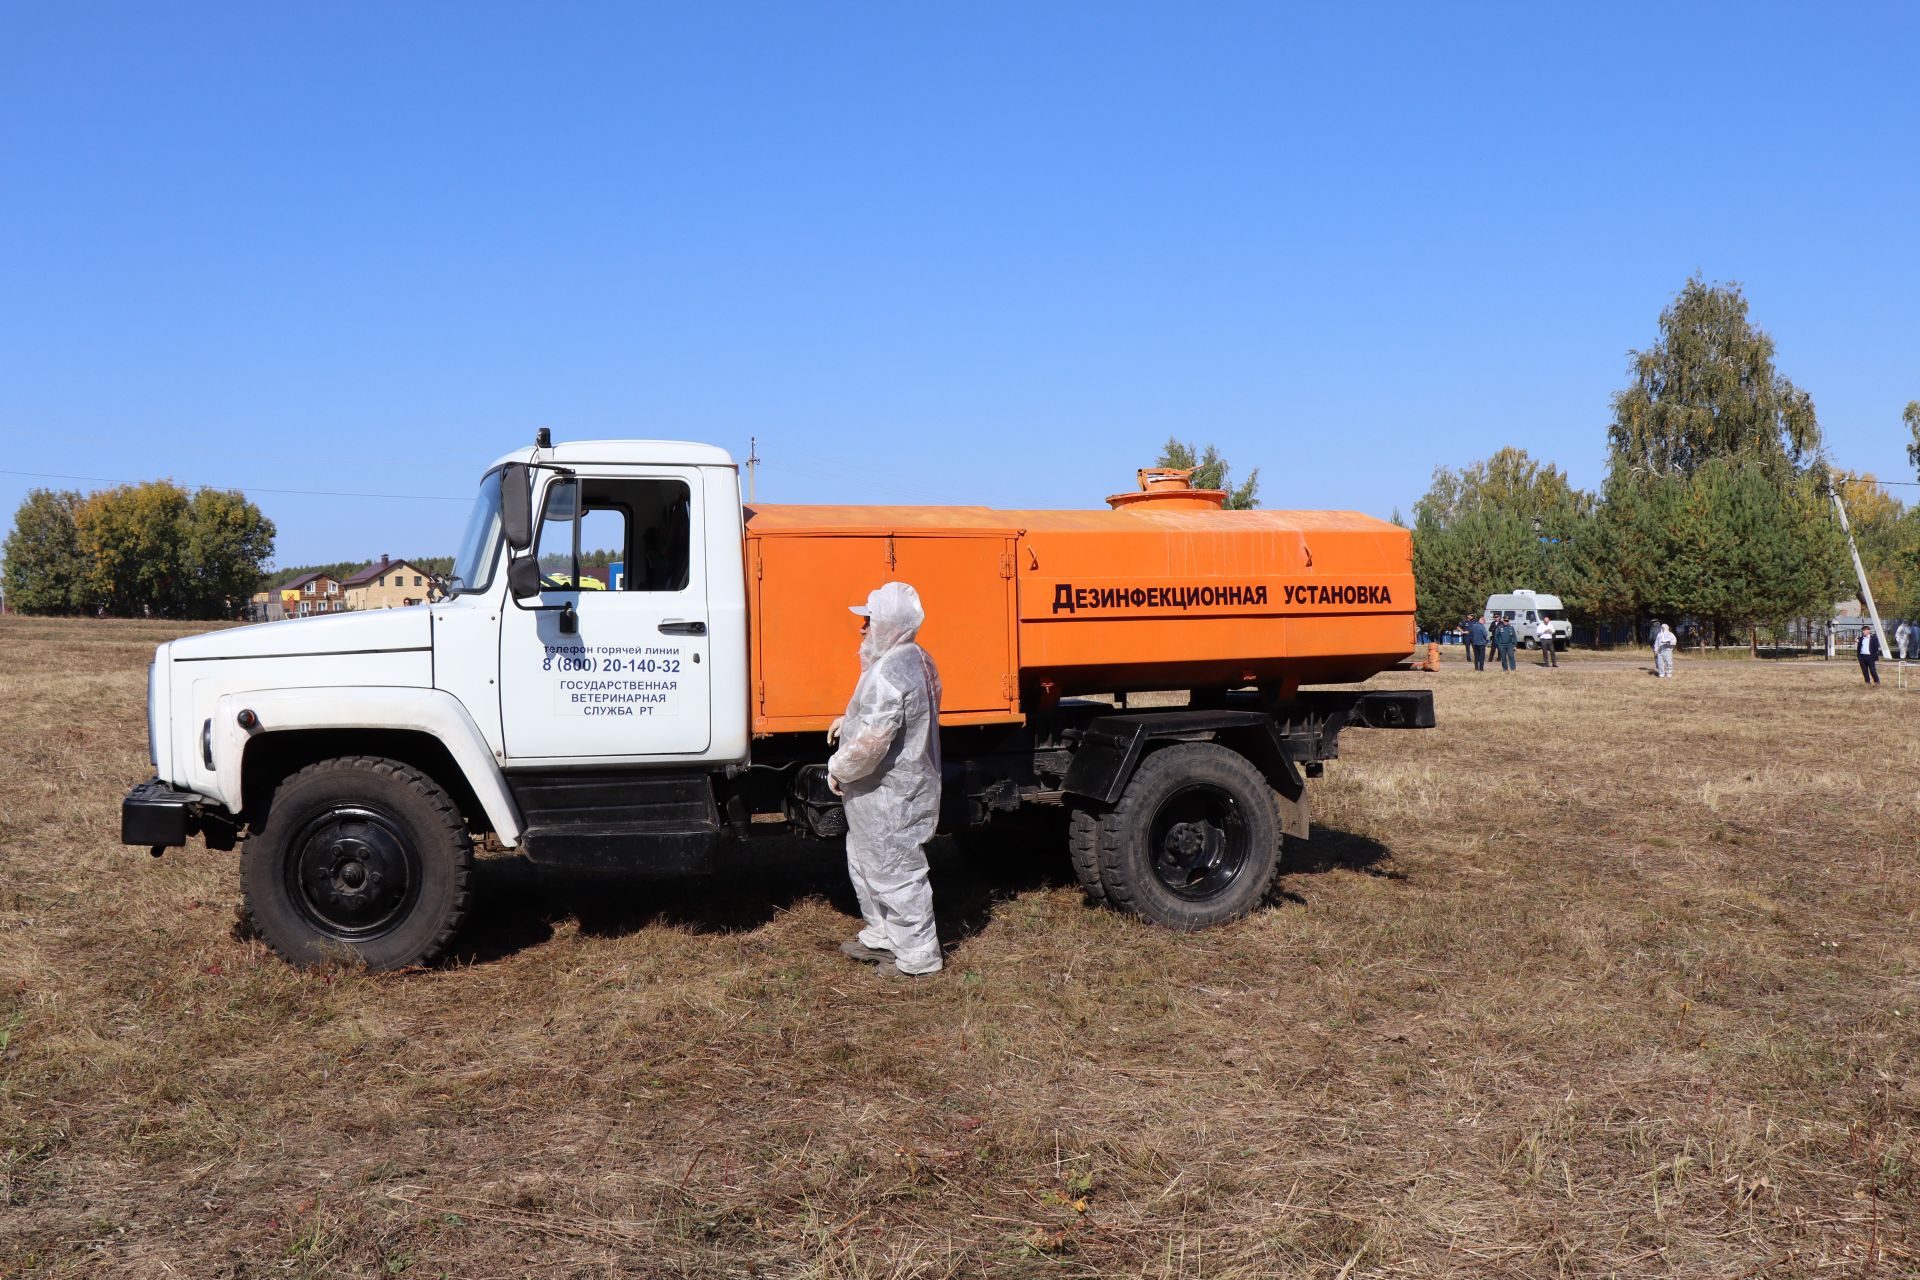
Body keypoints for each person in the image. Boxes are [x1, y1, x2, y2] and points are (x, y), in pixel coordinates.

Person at [827, 581, 945, 977]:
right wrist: (850, 722)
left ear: (889, 624)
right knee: (865, 862)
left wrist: (839, 766)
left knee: (896, 872)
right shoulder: (913, 658)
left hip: (892, 790)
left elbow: (875, 742)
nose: (861, 628)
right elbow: (892, 718)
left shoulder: (889, 670)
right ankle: (882, 936)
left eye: (868, 620)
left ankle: (918, 958)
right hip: (885, 790)